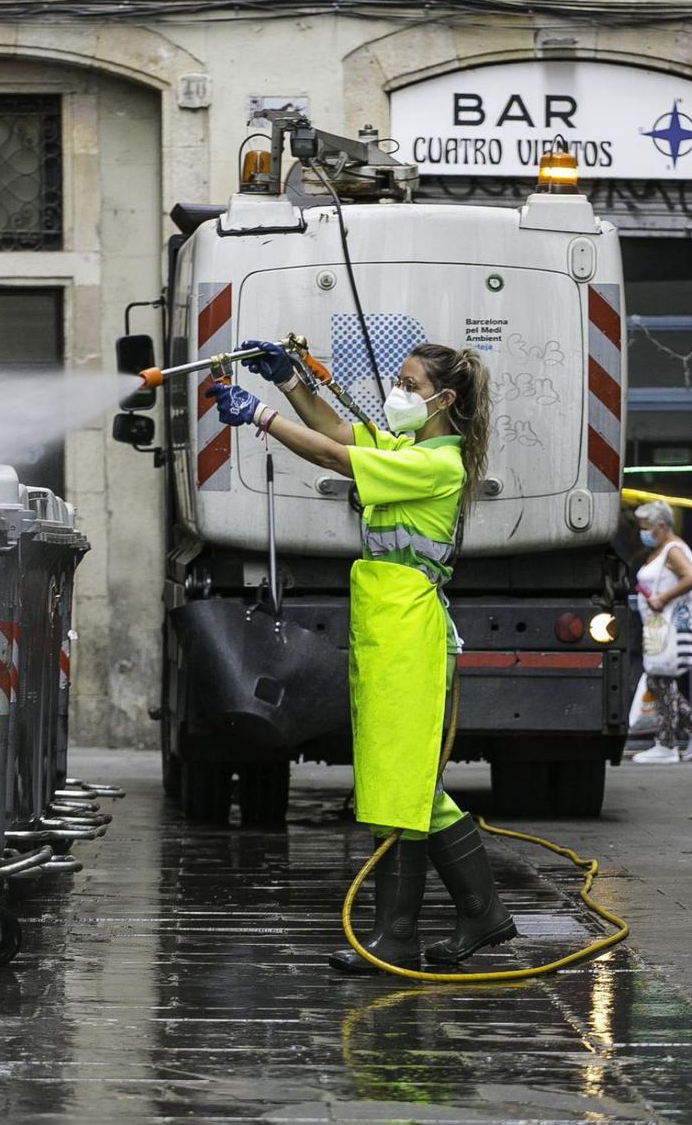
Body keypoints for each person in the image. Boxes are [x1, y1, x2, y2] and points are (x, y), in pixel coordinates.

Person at [206, 340, 516, 973]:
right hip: (385, 629)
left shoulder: (439, 466)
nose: (397, 391)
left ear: (443, 399)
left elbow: (333, 454)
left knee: (398, 782)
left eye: (408, 383)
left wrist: (259, 416)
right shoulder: (407, 449)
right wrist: (291, 383)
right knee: (398, 781)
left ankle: (401, 935)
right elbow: (339, 429)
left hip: (407, 634)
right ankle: (477, 916)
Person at [631, 499, 692, 764]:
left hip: (671, 625)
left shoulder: (673, 550)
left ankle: (670, 743)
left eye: (646, 527)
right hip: (658, 626)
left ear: (661, 526)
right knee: (659, 680)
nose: (642, 532)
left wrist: (663, 598)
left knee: (659, 679)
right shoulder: (660, 550)